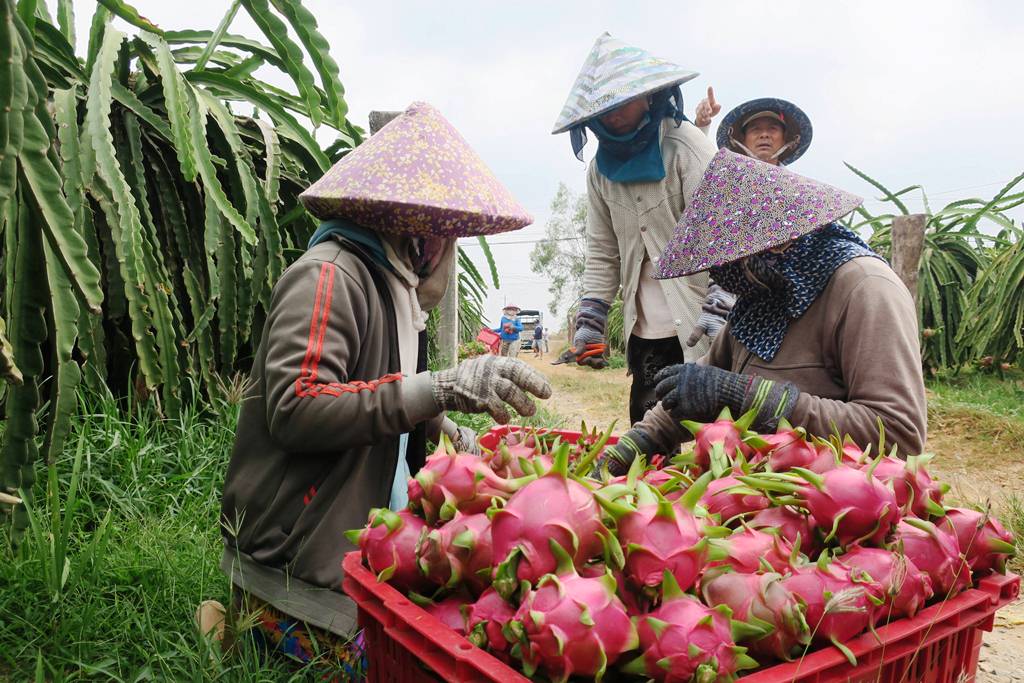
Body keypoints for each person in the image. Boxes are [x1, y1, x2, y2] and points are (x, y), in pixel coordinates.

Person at [210, 103, 552, 674]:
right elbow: (297, 408)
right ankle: (231, 624)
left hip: (347, 538)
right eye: (443, 227)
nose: (448, 244)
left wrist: (449, 428)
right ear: (407, 223)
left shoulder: (392, 288)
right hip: (296, 554)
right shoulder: (328, 277)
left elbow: (376, 388)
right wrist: (436, 390)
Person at [599, 149, 927, 475]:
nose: (723, 275)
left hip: (827, 505)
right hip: (750, 493)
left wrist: (756, 399)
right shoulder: (762, 292)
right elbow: (705, 382)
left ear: (773, 245)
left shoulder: (864, 288)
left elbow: (899, 433)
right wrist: (640, 440)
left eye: (730, 260)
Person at [550, 32, 717, 424]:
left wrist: (722, 302)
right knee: (648, 442)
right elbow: (602, 250)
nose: (615, 113)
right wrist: (591, 320)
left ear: (649, 96)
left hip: (699, 323)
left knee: (703, 438)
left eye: (624, 101)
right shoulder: (599, 172)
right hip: (646, 333)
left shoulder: (687, 149)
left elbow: (722, 233)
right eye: (605, 106)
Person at [685, 94, 814, 348]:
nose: (764, 135)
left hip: (786, 306)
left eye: (772, 129)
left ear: (787, 139)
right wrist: (701, 125)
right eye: (755, 129)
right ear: (740, 140)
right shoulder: (727, 190)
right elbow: (718, 248)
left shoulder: (800, 194)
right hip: (733, 307)